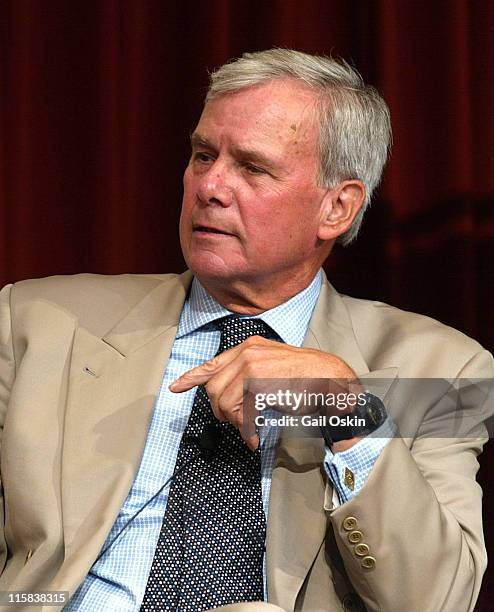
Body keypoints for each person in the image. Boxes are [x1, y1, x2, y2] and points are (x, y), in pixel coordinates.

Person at [0, 49, 492, 612]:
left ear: (337, 208)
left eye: (252, 167)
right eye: (203, 155)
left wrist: (351, 419)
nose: (210, 186)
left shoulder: (449, 369)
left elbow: (436, 600)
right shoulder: (36, 322)